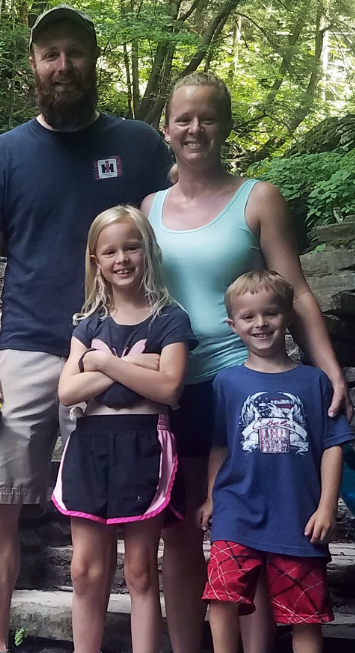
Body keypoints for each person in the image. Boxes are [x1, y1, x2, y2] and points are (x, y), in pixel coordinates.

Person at [0, 6, 172, 652]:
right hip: (29, 346)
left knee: (142, 508)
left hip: (125, 347)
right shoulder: (3, 155)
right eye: (50, 53)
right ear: (32, 65)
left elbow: (171, 235)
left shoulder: (139, 146)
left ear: (94, 59)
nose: (62, 65)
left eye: (74, 52)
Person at [141, 71, 354, 653]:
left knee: (257, 529)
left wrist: (329, 367)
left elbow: (298, 290)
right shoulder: (150, 206)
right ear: (167, 129)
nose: (195, 128)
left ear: (226, 126)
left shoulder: (258, 198)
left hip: (246, 381)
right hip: (173, 381)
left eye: (208, 117)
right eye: (184, 118)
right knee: (181, 529)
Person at [55, 205, 194, 653]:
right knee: (84, 569)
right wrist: (132, 366)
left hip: (145, 445)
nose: (122, 259)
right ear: (96, 261)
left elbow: (169, 387)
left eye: (131, 247)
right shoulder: (88, 323)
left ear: (147, 250)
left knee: (139, 569)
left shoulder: (170, 318)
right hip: (90, 445)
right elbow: (68, 392)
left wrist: (103, 363)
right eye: (110, 251)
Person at [198, 270, 353, 653]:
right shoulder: (226, 383)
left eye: (270, 313)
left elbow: (333, 445)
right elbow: (220, 444)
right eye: (248, 317)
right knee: (221, 594)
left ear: (287, 316)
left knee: (304, 614)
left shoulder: (315, 382)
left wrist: (326, 507)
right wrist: (211, 497)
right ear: (232, 325)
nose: (260, 324)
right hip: (237, 509)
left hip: (297, 516)